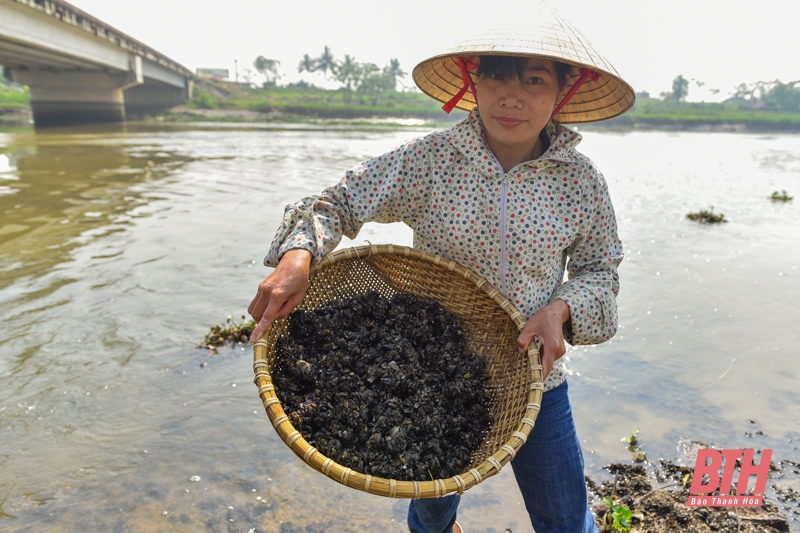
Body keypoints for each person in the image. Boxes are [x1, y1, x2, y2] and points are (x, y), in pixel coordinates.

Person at [248, 6, 635, 533]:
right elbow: (333, 204)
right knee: (431, 515)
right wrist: (299, 257)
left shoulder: (580, 182)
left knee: (566, 519)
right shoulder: (431, 160)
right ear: (473, 80)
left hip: (533, 376)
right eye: (497, 73)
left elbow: (600, 272)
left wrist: (561, 309)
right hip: (425, 369)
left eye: (534, 78)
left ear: (563, 91)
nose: (512, 95)